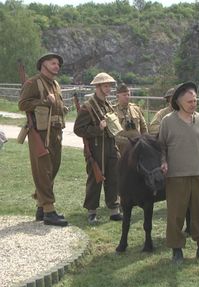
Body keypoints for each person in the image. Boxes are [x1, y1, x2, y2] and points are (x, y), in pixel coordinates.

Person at [158, 82, 199, 263]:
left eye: (195, 100)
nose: (193, 104)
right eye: (189, 101)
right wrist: (163, 162)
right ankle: (177, 250)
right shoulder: (168, 121)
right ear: (179, 102)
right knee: (176, 214)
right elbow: (161, 146)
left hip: (198, 173)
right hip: (176, 176)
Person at [18, 53, 68, 226]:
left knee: (52, 170)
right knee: (43, 171)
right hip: (40, 134)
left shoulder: (56, 85)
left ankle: (41, 207)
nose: (57, 66)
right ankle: (49, 211)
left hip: (56, 133)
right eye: (53, 63)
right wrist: (43, 101)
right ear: (43, 65)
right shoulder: (33, 83)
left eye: (58, 64)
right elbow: (22, 104)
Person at [74, 72, 123, 224]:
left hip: (110, 145)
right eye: (106, 86)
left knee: (113, 178)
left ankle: (114, 209)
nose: (109, 89)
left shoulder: (107, 105)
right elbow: (78, 129)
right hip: (96, 148)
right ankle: (92, 211)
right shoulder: (87, 108)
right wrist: (97, 128)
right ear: (98, 87)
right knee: (95, 180)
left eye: (109, 86)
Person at [113, 84, 148, 156]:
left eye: (128, 94)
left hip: (137, 149)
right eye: (124, 95)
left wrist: (145, 141)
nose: (127, 97)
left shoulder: (136, 109)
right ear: (117, 96)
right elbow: (113, 134)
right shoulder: (113, 111)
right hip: (121, 150)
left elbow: (144, 128)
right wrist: (130, 142)